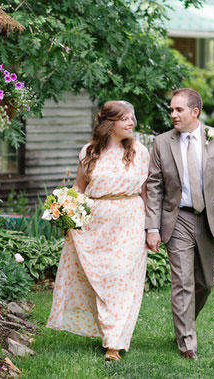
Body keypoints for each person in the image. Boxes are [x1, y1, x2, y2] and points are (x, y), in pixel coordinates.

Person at [47, 100, 150, 361]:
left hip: (129, 222)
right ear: (109, 123)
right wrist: (64, 213)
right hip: (94, 225)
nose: (131, 122)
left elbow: (147, 193)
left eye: (132, 117)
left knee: (122, 279)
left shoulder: (139, 152)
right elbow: (79, 187)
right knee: (101, 281)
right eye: (125, 118)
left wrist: (152, 229)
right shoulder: (89, 151)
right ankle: (107, 333)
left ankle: (114, 343)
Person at [145, 88, 214, 360]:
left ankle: (184, 322)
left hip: (211, 218)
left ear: (195, 112)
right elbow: (154, 186)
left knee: (205, 282)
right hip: (177, 219)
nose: (172, 114)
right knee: (183, 282)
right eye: (171, 109)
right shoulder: (163, 142)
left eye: (178, 110)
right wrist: (152, 227)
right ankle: (187, 341)